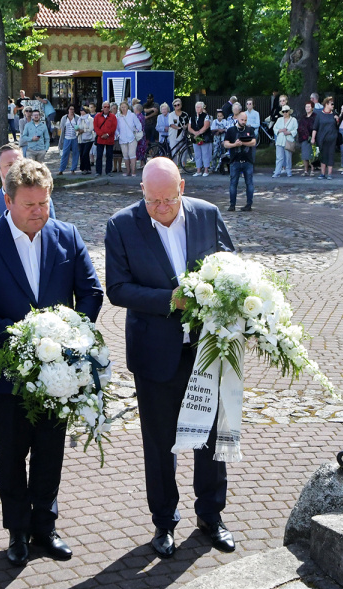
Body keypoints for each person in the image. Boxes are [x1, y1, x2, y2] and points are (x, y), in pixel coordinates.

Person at [0, 159, 103, 567]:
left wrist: (71, 333)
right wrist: (9, 332)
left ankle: (45, 527)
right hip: (7, 370)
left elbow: (91, 292)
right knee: (11, 454)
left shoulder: (67, 235)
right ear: (8, 201)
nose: (39, 211)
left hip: (59, 371)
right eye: (30, 204)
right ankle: (17, 530)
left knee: (50, 451)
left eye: (44, 203)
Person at [105, 157, 236, 557]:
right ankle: (164, 522)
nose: (161, 207)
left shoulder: (207, 215)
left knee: (209, 438)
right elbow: (118, 289)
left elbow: (232, 268)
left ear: (182, 186)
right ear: (141, 191)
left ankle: (211, 515)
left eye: (168, 198)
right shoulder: (121, 225)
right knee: (160, 444)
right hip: (155, 353)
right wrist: (170, 300)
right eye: (152, 200)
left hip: (206, 349)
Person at [0, 142, 57, 230]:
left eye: (19, 163)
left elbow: (52, 232)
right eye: (9, 165)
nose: (15, 168)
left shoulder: (43, 201)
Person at [226, 111, 257, 211]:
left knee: (249, 183)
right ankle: (232, 205)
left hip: (247, 161)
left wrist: (243, 143)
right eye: (242, 120)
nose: (243, 122)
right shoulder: (231, 130)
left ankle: (249, 205)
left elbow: (253, 142)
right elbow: (226, 144)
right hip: (235, 161)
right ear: (237, 119)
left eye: (245, 120)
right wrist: (235, 145)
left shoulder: (249, 129)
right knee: (233, 183)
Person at [116, 101, 144, 177]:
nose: (123, 108)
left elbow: (139, 125)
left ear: (127, 107)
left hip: (132, 138)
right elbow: (116, 128)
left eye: (125, 107)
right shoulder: (119, 117)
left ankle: (133, 171)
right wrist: (118, 135)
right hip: (122, 139)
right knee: (125, 155)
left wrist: (136, 131)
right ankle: (128, 171)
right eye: (122, 107)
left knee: (132, 154)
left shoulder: (132, 115)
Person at [314, 98, 339, 180]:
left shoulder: (334, 114)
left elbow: (338, 126)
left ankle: (330, 174)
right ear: (326, 104)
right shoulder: (319, 115)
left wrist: (337, 120)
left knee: (331, 155)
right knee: (323, 155)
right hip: (322, 138)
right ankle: (322, 173)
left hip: (332, 138)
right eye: (331, 104)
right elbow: (315, 127)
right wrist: (313, 138)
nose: (333, 105)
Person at [187, 101, 211, 177]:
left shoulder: (206, 116)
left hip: (204, 137)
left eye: (199, 107)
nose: (197, 108)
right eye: (196, 107)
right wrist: (194, 133)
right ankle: (198, 170)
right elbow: (189, 127)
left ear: (202, 108)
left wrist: (199, 133)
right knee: (197, 154)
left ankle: (206, 170)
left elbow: (206, 126)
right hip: (196, 137)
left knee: (205, 154)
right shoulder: (192, 117)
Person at [93, 102, 117, 176]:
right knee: (99, 156)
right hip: (100, 139)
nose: (106, 108)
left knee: (109, 156)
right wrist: (101, 134)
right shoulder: (97, 116)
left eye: (108, 107)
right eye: (105, 107)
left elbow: (114, 127)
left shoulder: (113, 117)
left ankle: (108, 171)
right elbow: (95, 127)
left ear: (109, 108)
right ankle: (98, 171)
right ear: (102, 108)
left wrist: (107, 134)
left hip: (109, 139)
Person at [273, 106, 297, 177]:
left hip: (288, 140)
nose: (285, 113)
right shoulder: (279, 120)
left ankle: (289, 171)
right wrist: (281, 130)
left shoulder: (293, 120)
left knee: (288, 157)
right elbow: (275, 128)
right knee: (279, 157)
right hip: (279, 140)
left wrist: (289, 132)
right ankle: (277, 172)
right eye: (283, 112)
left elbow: (295, 130)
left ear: (289, 112)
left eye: (286, 111)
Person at [58, 105, 81, 174]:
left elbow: (79, 127)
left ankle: (73, 169)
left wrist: (78, 129)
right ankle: (61, 169)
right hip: (66, 138)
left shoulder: (77, 117)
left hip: (75, 138)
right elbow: (62, 128)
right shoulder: (64, 118)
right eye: (70, 109)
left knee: (75, 153)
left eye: (73, 109)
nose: (72, 111)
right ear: (68, 110)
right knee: (65, 154)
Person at [166, 98, 187, 165]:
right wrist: (179, 128)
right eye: (175, 105)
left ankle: (183, 165)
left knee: (184, 150)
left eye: (178, 104)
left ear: (181, 105)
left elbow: (188, 123)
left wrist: (186, 126)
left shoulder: (185, 114)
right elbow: (171, 124)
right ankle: (174, 165)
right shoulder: (171, 115)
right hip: (173, 135)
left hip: (182, 135)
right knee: (174, 151)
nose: (177, 106)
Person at [298, 101, 316, 176]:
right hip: (304, 138)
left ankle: (312, 170)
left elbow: (315, 127)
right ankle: (305, 170)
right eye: (306, 107)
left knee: (312, 155)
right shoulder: (303, 117)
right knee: (305, 155)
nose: (307, 108)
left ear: (312, 108)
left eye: (309, 107)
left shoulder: (315, 117)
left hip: (313, 138)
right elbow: (300, 127)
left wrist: (312, 137)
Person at [78, 104, 95, 174]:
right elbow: (78, 127)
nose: (81, 112)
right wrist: (78, 131)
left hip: (89, 138)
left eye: (82, 110)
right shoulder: (80, 119)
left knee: (85, 153)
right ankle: (85, 168)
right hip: (81, 139)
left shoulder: (90, 119)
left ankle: (87, 168)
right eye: (80, 111)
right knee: (82, 153)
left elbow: (91, 129)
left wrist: (83, 130)